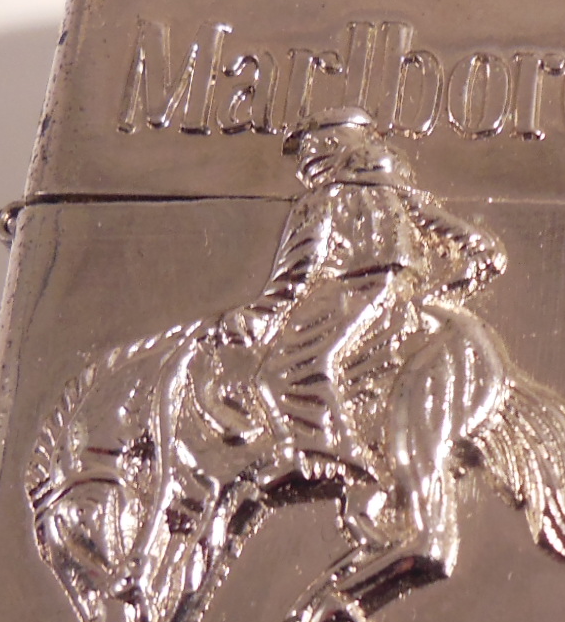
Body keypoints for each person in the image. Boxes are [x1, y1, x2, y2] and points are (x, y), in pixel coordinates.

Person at [208, 106, 505, 482]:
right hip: (393, 290)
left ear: (332, 145)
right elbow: (470, 240)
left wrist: (260, 314)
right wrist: (452, 280)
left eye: (310, 145)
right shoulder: (398, 191)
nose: (304, 158)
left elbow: (299, 271)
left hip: (350, 289)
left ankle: (333, 457)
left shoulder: (324, 199)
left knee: (286, 371)